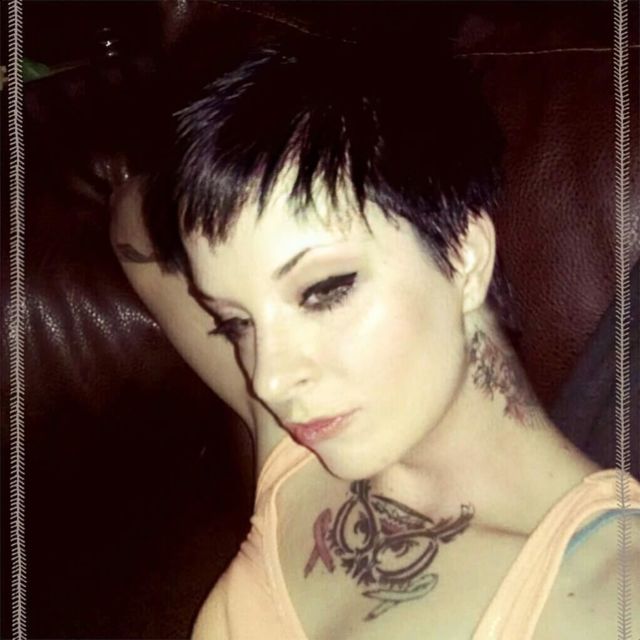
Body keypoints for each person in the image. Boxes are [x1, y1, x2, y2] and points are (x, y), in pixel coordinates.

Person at [111, 35, 640, 639]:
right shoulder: (301, 444)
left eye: (324, 290)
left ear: (464, 255)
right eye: (237, 322)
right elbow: (131, 214)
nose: (269, 379)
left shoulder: (611, 592)